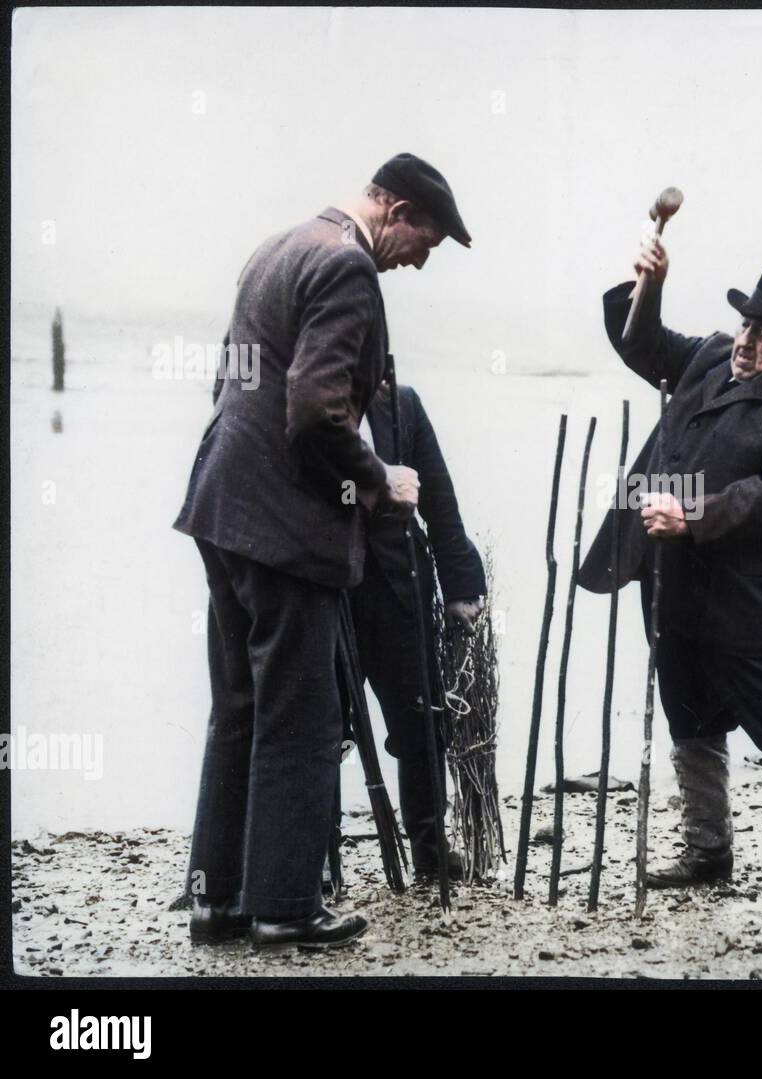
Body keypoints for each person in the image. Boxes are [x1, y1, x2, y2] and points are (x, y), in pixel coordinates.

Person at [175, 153, 471, 948]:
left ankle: (218, 898)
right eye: (424, 241)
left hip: (221, 505)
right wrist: (381, 482)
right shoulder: (348, 269)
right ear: (395, 208)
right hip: (283, 529)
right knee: (301, 715)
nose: (416, 260)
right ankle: (285, 907)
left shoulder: (278, 247)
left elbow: (234, 383)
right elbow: (315, 410)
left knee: (238, 703)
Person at [577, 236, 762, 908]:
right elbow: (639, 342)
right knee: (688, 708)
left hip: (756, 594)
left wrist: (690, 516)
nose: (749, 341)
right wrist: (651, 283)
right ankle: (706, 849)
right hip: (672, 577)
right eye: (748, 324)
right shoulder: (705, 356)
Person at [348, 381, 485, 884]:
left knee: (422, 720)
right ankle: (315, 858)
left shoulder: (401, 404)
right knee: (322, 728)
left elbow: (441, 501)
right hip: (327, 589)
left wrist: (459, 584)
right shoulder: (310, 401)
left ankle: (430, 847)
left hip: (399, 589)